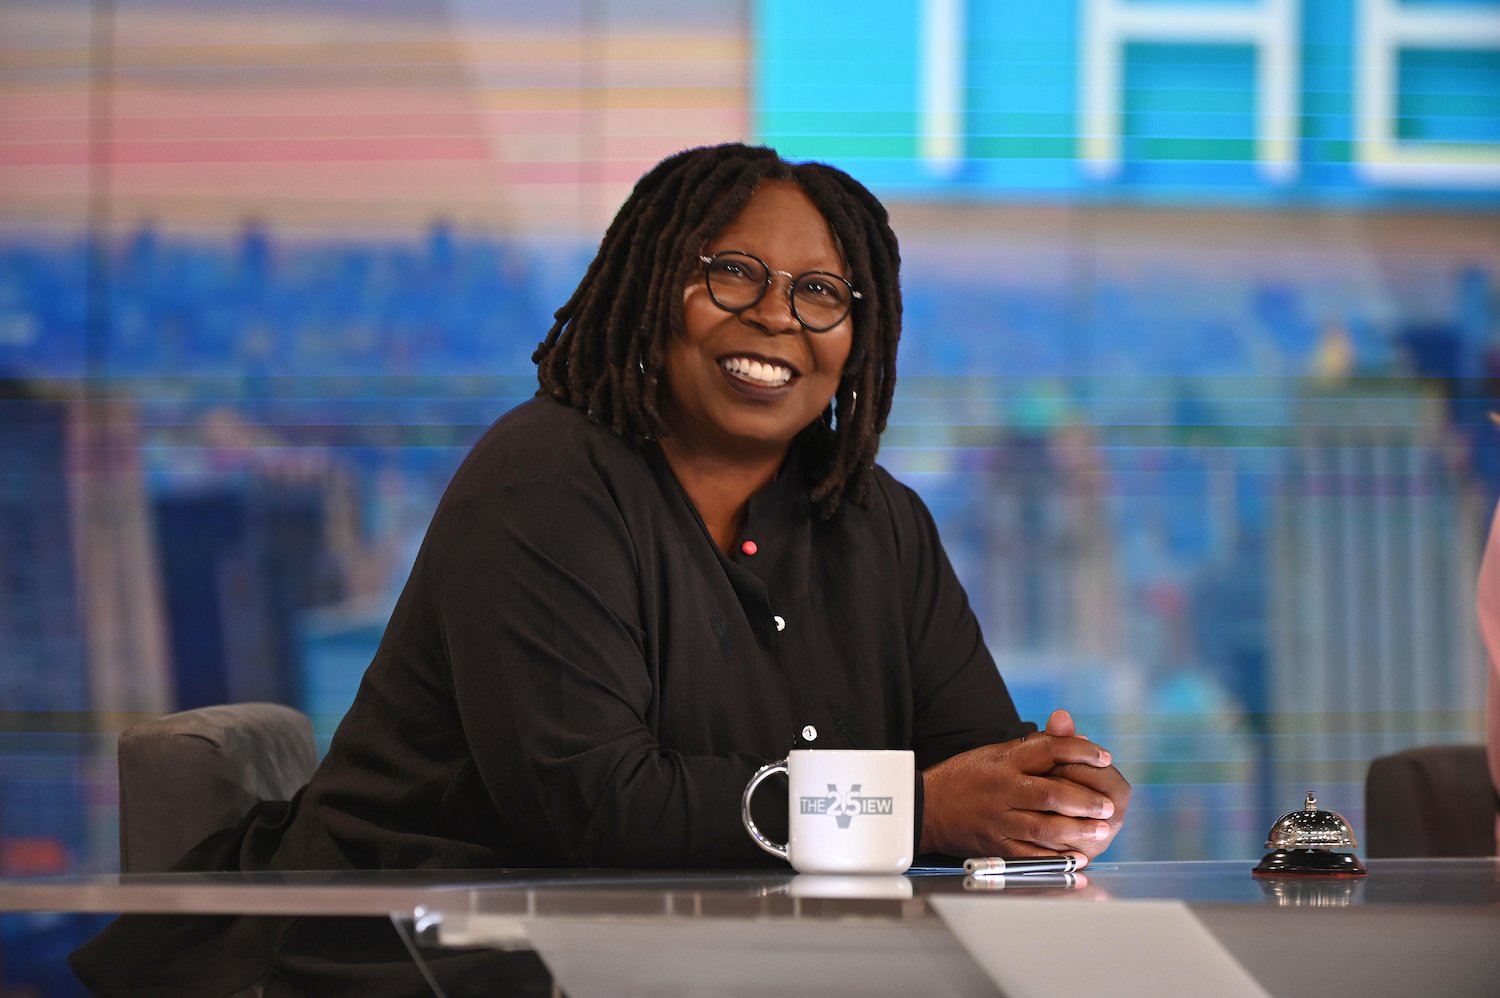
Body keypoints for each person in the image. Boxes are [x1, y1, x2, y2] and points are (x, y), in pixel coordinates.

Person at [75, 142, 1129, 993]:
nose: (775, 315)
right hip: (402, 959)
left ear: (860, 335)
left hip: (699, 965)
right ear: (654, 288)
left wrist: (1047, 796)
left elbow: (974, 770)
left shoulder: (880, 524)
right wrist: (923, 808)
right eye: (733, 272)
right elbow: (595, 810)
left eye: (821, 292)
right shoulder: (545, 478)